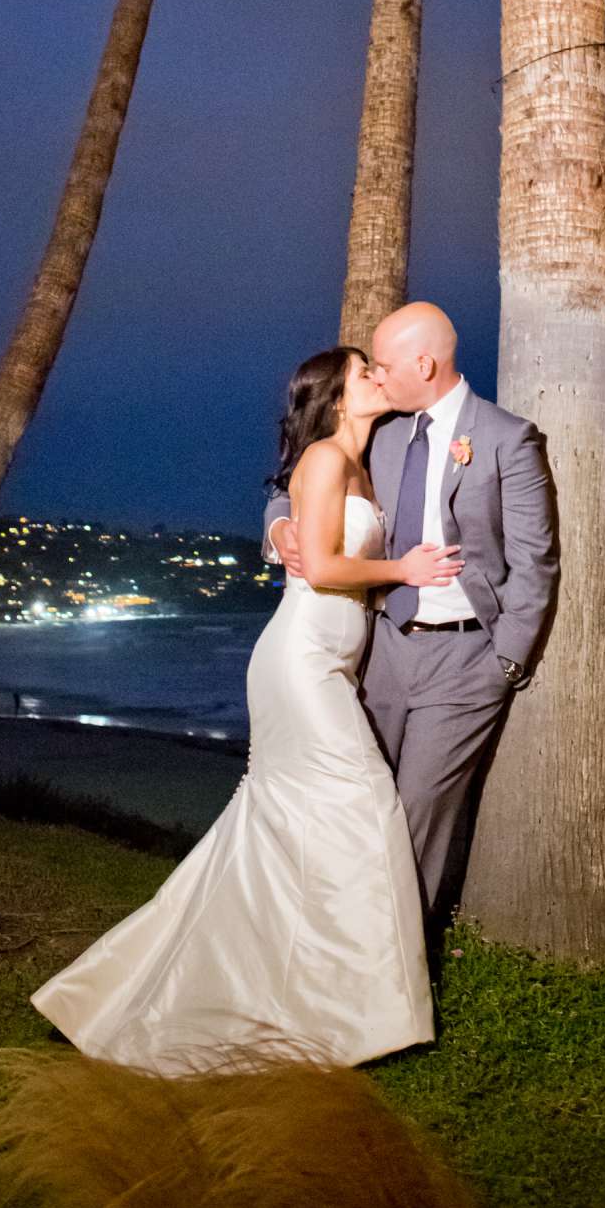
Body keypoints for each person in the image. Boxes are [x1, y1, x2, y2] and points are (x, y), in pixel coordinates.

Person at [31, 345, 457, 1071]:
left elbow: (315, 540)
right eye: (364, 373)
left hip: (331, 662)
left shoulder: (361, 458)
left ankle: (258, 995)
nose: (377, 378)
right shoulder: (324, 459)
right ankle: (365, 1014)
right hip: (300, 663)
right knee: (367, 805)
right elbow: (322, 567)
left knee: (272, 832)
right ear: (336, 395)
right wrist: (402, 568)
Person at [265, 302, 558, 937]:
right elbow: (297, 482)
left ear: (423, 364)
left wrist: (506, 660)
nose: (375, 374)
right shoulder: (385, 431)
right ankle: (334, 947)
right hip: (378, 652)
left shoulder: (509, 438)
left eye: (384, 365)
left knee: (420, 814)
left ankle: (397, 972)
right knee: (358, 808)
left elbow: (536, 560)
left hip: (465, 662)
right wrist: (281, 526)